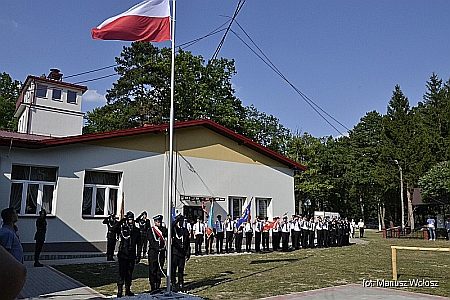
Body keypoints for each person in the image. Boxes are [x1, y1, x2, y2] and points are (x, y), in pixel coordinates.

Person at [113, 211, 141, 297]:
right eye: (129, 219)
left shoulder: (136, 230)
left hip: (131, 255)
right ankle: (120, 290)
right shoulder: (123, 228)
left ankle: (128, 290)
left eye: (131, 219)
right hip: (123, 254)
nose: (130, 221)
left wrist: (138, 255)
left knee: (129, 273)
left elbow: (139, 244)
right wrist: (121, 221)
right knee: (121, 273)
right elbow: (114, 229)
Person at [171, 215, 191, 291]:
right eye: (179, 221)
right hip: (175, 253)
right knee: (173, 270)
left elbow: (187, 243)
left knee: (181, 270)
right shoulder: (174, 229)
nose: (181, 223)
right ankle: (173, 283)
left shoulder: (185, 230)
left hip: (182, 254)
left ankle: (180, 283)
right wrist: (176, 220)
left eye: (182, 221)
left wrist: (188, 253)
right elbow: (172, 226)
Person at [147, 214, 167, 292]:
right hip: (153, 253)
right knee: (153, 270)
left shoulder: (163, 230)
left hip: (161, 252)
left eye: (160, 222)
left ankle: (158, 285)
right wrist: (157, 247)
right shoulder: (150, 230)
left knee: (159, 270)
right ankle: (153, 286)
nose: (159, 223)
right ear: (155, 222)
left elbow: (167, 234)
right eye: (158, 222)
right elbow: (151, 240)